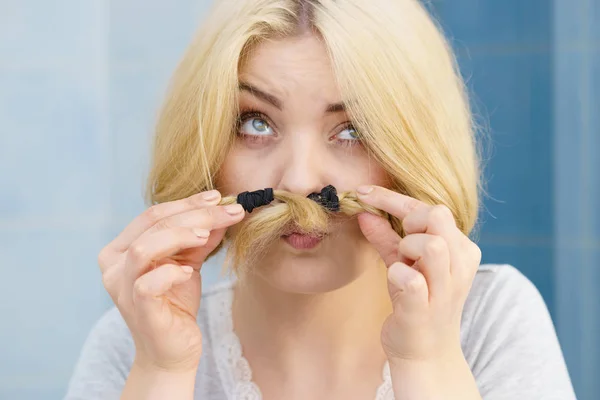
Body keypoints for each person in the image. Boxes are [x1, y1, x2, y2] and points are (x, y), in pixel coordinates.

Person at [65, 0, 577, 399]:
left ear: (413, 152)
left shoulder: (493, 320)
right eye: (256, 124)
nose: (301, 180)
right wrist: (162, 371)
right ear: (207, 150)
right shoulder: (131, 342)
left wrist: (429, 361)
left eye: (352, 130)